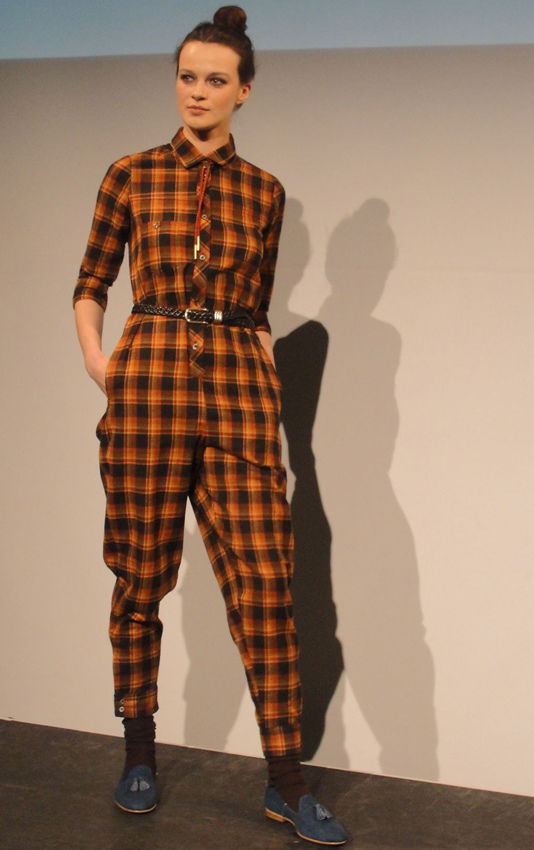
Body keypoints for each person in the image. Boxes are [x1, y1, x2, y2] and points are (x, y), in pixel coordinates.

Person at [73, 6, 347, 846]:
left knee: (264, 582)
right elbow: (91, 283)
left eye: (215, 80)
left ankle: (286, 783)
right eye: (187, 76)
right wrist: (103, 366)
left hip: (235, 384)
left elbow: (257, 308)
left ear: (243, 91)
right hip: (149, 377)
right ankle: (139, 753)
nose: (197, 91)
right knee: (140, 575)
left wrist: (262, 384)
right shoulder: (129, 174)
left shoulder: (264, 190)